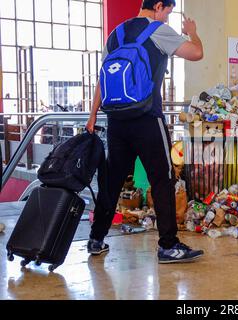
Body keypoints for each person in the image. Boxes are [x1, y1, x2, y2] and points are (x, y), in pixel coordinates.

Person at [85, 0, 205, 264]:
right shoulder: (157, 30)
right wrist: (191, 31)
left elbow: (103, 78)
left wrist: (93, 115)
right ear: (159, 6)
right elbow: (196, 53)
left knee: (112, 182)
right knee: (162, 180)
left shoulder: (115, 34)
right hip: (147, 119)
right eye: (168, 12)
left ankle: (96, 239)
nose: (168, 19)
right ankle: (168, 246)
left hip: (116, 122)